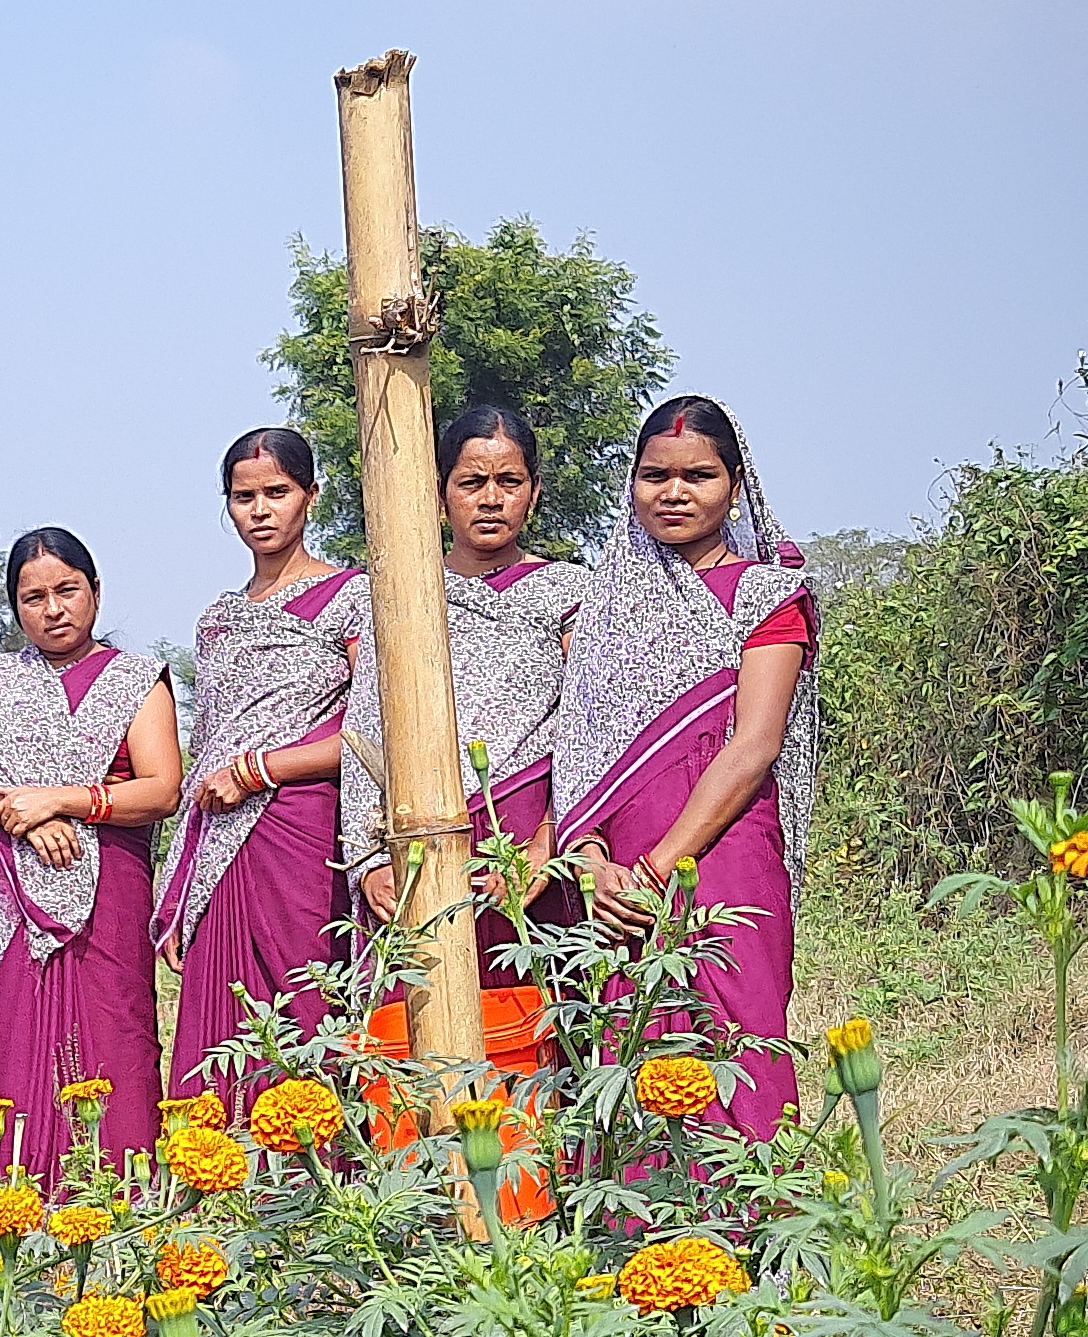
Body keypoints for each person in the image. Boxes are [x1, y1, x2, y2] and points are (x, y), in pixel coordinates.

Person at [559, 394, 820, 1136]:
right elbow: (581, 741)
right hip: (613, 880)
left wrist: (656, 869)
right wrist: (592, 860)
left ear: (736, 486)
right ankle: (640, 1243)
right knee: (627, 1056)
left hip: (721, 854)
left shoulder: (768, 596)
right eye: (654, 475)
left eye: (698, 476)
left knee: (737, 1040)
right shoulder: (604, 605)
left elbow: (755, 744)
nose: (674, 493)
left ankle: (751, 1237)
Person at [0, 528, 182, 1181]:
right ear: (15, 609)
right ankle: (22, 1217)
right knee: (19, 1059)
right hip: (11, 908)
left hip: (109, 902)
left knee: (117, 1046)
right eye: (33, 597)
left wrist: (60, 801)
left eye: (68, 590)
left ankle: (123, 1220)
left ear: (95, 592)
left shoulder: (134, 680)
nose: (54, 609)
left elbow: (161, 789)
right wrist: (10, 814)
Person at [342, 402, 594, 982]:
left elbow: (590, 732)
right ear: (439, 493)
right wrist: (368, 863)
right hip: (416, 841)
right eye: (471, 482)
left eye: (509, 482)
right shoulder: (399, 591)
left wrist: (545, 846)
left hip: (530, 845)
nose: (490, 498)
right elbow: (364, 734)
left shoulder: (571, 591)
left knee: (536, 1031)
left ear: (533, 495)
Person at [161, 428, 365, 1097]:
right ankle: (220, 1188)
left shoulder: (351, 597)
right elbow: (206, 755)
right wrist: (180, 883)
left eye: (277, 492)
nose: (261, 509)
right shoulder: (218, 619)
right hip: (221, 841)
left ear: (311, 495)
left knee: (306, 1010)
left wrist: (261, 770)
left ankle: (312, 1184)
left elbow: (374, 730)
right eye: (244, 496)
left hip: (304, 834)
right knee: (221, 1022)